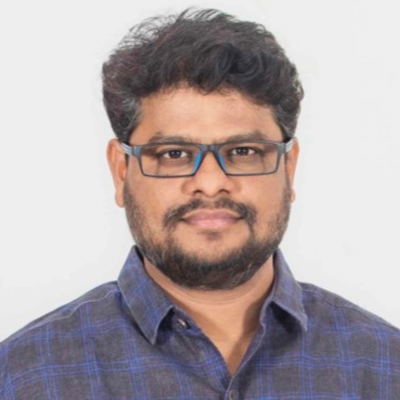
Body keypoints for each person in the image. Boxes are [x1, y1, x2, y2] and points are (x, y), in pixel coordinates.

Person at [1, 8, 399, 399]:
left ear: (288, 167)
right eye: (174, 154)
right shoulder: (24, 377)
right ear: (121, 171)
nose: (210, 184)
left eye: (243, 151)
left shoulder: (386, 367)